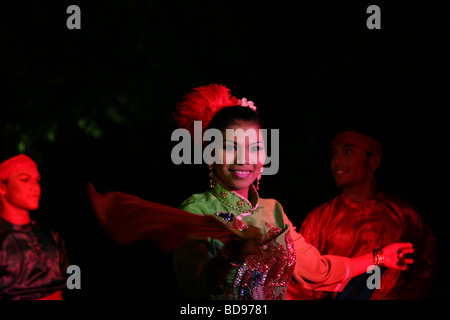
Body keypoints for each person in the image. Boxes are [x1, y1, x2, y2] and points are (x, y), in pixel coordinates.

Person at [89, 84, 414, 300]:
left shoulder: (273, 210)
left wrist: (380, 257)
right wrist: (232, 254)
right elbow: (197, 289)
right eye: (231, 147)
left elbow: (318, 271)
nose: (245, 159)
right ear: (209, 154)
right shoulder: (197, 210)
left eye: (255, 147)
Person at [286, 130, 437, 300]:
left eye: (348, 152)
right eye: (334, 154)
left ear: (373, 161)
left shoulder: (404, 213)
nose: (337, 161)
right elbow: (299, 279)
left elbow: (425, 265)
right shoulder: (319, 219)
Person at [0, 154, 69, 300]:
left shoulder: (52, 236)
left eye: (37, 180)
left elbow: (71, 279)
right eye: (25, 179)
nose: (35, 187)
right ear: (2, 187)